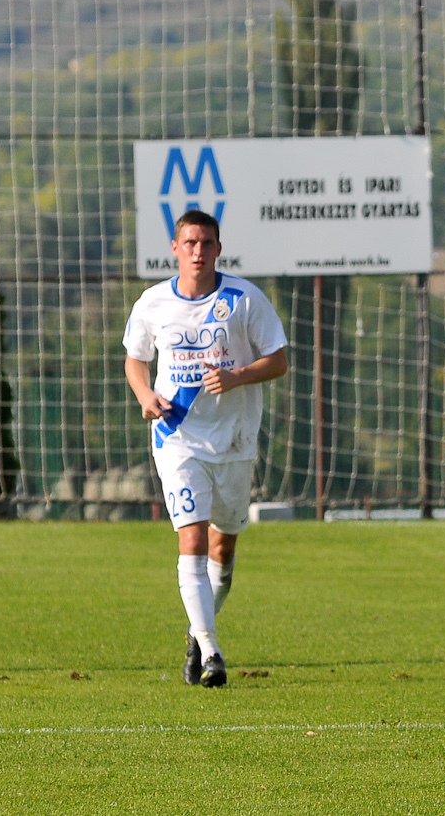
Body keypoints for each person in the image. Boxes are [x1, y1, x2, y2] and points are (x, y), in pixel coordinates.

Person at [123, 209, 289, 689]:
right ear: (175, 249)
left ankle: (197, 633)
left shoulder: (243, 299)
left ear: (219, 249)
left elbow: (278, 361)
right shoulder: (153, 302)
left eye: (206, 243)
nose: (198, 251)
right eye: (190, 243)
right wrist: (144, 395)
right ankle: (213, 651)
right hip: (176, 437)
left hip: (234, 439)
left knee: (223, 550)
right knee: (192, 539)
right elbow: (136, 360)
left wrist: (238, 376)